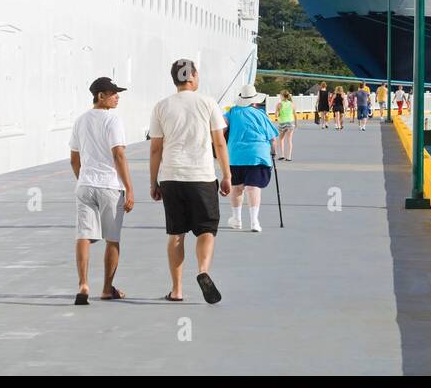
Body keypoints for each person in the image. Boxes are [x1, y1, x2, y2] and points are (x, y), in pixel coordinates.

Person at [149, 59, 231, 304]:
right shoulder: (208, 103)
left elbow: (155, 149)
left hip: (171, 177)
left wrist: (154, 182)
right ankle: (203, 270)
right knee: (206, 230)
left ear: (174, 78)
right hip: (202, 176)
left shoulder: (161, 106)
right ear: (193, 76)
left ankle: (176, 290)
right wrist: (226, 175)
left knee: (176, 232)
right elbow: (219, 143)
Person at [69, 77, 135, 306]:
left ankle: (83, 284)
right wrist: (129, 188)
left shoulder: (80, 121)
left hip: (85, 185)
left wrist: (84, 179)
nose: (118, 96)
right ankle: (107, 288)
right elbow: (118, 154)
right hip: (110, 186)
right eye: (113, 93)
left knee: (84, 236)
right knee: (112, 239)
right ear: (101, 96)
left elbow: (74, 159)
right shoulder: (112, 120)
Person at [224, 84, 278, 232]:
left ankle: (237, 220)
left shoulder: (232, 112)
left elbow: (221, 128)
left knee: (237, 188)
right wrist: (273, 152)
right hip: (258, 154)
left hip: (236, 155)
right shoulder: (261, 114)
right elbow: (273, 139)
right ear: (255, 100)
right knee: (253, 188)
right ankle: (254, 222)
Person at [274, 90, 296, 161]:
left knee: (281, 139)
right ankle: (289, 156)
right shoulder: (292, 104)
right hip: (290, 123)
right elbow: (294, 114)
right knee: (289, 140)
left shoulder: (279, 104)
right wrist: (296, 123)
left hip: (282, 123)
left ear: (282, 96)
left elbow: (276, 115)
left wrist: (278, 113)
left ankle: (282, 155)